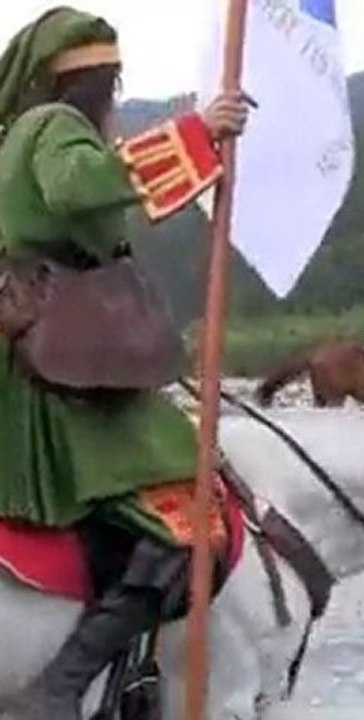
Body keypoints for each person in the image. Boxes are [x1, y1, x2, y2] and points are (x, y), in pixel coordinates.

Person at [0, 7, 251, 719]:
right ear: (95, 86)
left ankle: (129, 677)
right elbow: (76, 186)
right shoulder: (53, 127)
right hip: (63, 363)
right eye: (113, 83)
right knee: (193, 519)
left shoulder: (15, 134)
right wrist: (198, 133)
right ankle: (62, 683)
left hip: (42, 340)